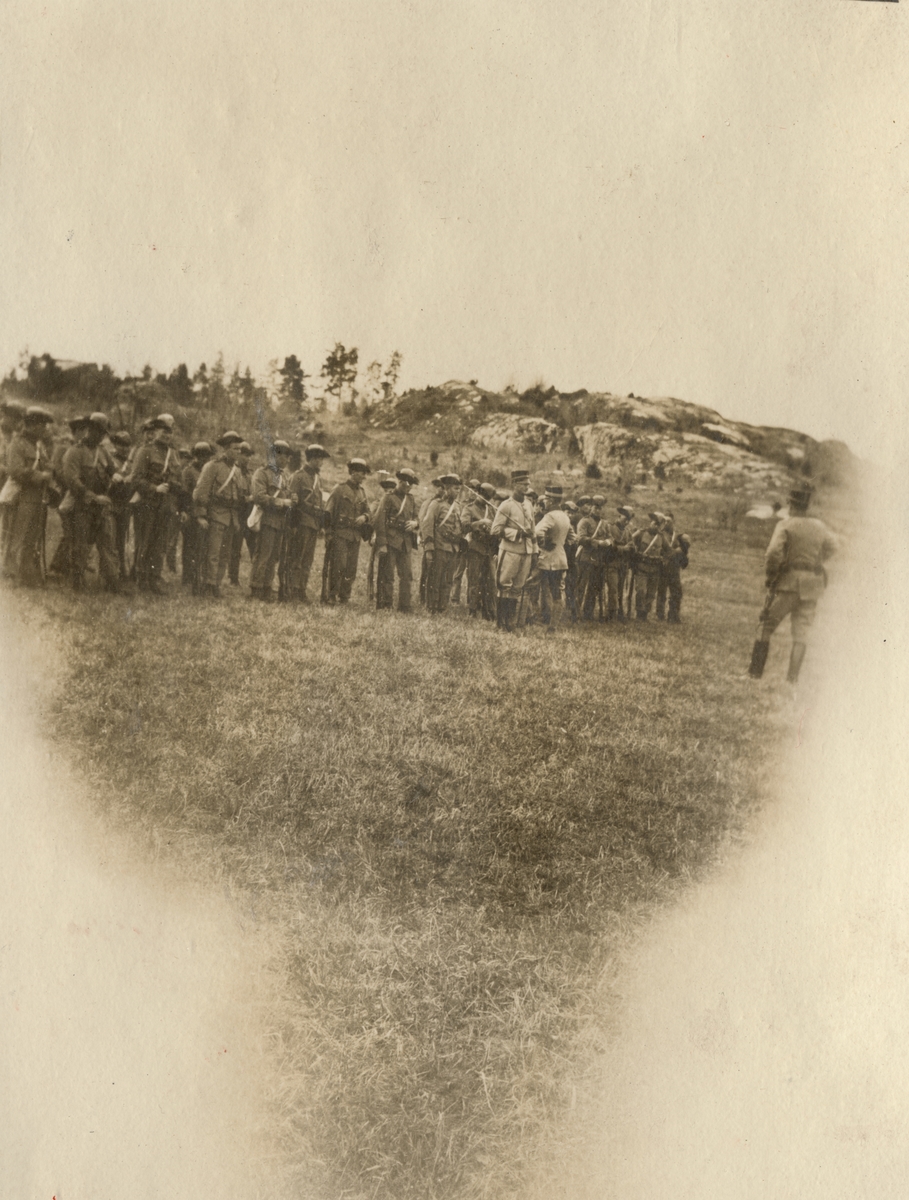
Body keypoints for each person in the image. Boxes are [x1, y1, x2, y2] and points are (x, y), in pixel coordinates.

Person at [748, 485, 836, 683]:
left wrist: (771, 576)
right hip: (812, 586)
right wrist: (815, 563)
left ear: (791, 504)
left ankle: (754, 674)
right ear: (807, 505)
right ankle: (792, 680)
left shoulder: (786, 524)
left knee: (765, 626)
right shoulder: (819, 526)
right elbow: (833, 546)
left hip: (788, 584)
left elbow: (773, 553)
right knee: (801, 634)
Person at [61, 411, 121, 592]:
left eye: (103, 433)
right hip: (82, 506)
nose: (100, 436)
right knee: (80, 545)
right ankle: (77, 582)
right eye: (98, 431)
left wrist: (117, 476)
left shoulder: (103, 452)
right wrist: (94, 498)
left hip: (101, 507)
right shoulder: (75, 452)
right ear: (89, 429)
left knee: (107, 545)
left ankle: (112, 582)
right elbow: (72, 481)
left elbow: (112, 470)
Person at [130, 413, 183, 594]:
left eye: (170, 431)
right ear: (155, 431)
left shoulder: (173, 454)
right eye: (163, 430)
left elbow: (179, 479)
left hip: (165, 506)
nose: (167, 435)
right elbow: (136, 479)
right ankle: (141, 578)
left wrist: (174, 485)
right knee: (144, 542)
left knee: (159, 545)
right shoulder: (145, 451)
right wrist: (154, 488)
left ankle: (154, 579)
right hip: (147, 504)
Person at [4, 406, 55, 586]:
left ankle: (26, 574)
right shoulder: (17, 444)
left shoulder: (39, 446)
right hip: (21, 497)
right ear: (32, 425)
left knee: (31, 538)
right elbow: (15, 470)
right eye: (42, 425)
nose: (44, 429)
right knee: (16, 537)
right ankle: (10, 575)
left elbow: (47, 465)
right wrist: (40, 476)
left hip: (37, 498)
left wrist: (49, 471)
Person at [192, 430, 247, 598]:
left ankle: (216, 584)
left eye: (239, 449)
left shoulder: (237, 471)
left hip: (231, 518)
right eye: (235, 449)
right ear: (225, 449)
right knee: (213, 554)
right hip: (215, 515)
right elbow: (200, 493)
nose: (238, 452)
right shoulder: (212, 466)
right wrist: (201, 515)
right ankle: (207, 585)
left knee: (224, 555)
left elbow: (239, 494)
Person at [490, 469, 537, 632]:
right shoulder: (506, 505)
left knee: (517, 588)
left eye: (528, 484)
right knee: (504, 586)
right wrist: (518, 533)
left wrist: (534, 552)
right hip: (509, 552)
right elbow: (495, 530)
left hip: (526, 553)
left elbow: (533, 531)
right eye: (523, 484)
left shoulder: (529, 505)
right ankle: (500, 623)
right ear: (515, 484)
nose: (527, 487)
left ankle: (510, 622)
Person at [284, 443, 330, 603]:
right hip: (301, 522)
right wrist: (293, 525)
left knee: (307, 560)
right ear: (312, 459)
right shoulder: (299, 476)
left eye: (322, 459)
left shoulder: (317, 479)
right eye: (319, 459)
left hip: (313, 524)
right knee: (296, 558)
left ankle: (301, 589)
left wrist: (321, 525)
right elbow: (292, 501)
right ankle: (292, 589)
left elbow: (320, 503)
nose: (321, 462)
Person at [250, 440, 294, 602]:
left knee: (274, 557)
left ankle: (267, 587)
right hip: (267, 520)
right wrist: (281, 502)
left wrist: (292, 498)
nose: (287, 460)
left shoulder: (284, 476)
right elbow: (259, 496)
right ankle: (256, 588)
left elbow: (287, 494)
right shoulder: (262, 473)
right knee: (264, 555)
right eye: (285, 456)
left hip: (280, 522)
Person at [323, 458, 371, 604]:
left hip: (355, 535)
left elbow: (368, 512)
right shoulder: (339, 489)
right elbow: (328, 512)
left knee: (351, 567)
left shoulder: (362, 492)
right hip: (341, 534)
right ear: (353, 472)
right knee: (338, 565)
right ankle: (332, 594)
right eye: (362, 473)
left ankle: (344, 596)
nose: (364, 476)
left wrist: (364, 517)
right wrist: (328, 533)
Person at [373, 467, 419, 612]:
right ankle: (385, 604)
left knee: (407, 575)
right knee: (387, 575)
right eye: (406, 482)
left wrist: (415, 523)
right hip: (390, 541)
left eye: (411, 483)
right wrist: (382, 544)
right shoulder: (388, 497)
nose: (409, 486)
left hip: (405, 543)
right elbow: (379, 520)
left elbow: (416, 517)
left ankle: (404, 606)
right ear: (400, 481)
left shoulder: (411, 499)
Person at [421, 473, 464, 614]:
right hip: (439, 547)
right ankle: (432, 607)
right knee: (435, 578)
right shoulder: (436, 505)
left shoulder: (457, 507)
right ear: (448, 489)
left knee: (447, 579)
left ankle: (442, 607)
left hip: (453, 549)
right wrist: (429, 548)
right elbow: (427, 526)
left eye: (459, 489)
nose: (458, 492)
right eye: (455, 489)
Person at [534, 483, 572, 632]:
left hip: (546, 559)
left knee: (529, 586)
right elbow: (573, 538)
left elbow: (537, 531)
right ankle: (553, 627)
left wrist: (543, 543)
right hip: (560, 560)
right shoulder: (565, 517)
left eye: (546, 499)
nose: (544, 501)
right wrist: (559, 543)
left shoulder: (549, 516)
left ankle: (525, 619)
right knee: (557, 594)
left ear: (550, 500)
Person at [179, 441, 213, 593]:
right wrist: (192, 513)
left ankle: (197, 575)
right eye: (201, 456)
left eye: (207, 456)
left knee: (202, 547)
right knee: (189, 546)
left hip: (205, 513)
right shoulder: (188, 472)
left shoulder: (208, 471)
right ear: (196, 456)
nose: (204, 459)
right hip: (191, 513)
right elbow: (185, 495)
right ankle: (188, 576)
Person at [463, 482, 498, 620]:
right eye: (483, 496)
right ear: (478, 494)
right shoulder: (469, 508)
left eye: (488, 497)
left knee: (490, 582)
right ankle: (472, 609)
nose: (485, 499)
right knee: (474, 580)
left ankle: (488, 611)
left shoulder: (492, 510)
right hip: (475, 548)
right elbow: (464, 526)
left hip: (489, 550)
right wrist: (480, 523)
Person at [632, 511, 671, 621]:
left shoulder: (661, 537)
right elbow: (630, 542)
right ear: (651, 522)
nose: (655, 526)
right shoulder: (641, 533)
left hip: (655, 569)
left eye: (658, 524)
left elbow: (669, 551)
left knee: (651, 593)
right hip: (641, 567)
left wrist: (664, 559)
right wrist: (635, 554)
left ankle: (645, 614)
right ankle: (639, 613)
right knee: (641, 591)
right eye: (654, 523)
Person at [228, 442, 257, 586]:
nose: (248, 459)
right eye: (246, 455)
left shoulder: (250, 474)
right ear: (239, 455)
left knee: (254, 547)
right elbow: (235, 495)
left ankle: (256, 579)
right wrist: (249, 498)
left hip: (249, 515)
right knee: (235, 548)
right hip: (238, 513)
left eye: (249, 456)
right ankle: (233, 578)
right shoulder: (234, 471)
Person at [655, 511, 690, 624]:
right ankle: (660, 614)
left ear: (673, 522)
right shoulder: (660, 535)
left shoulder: (678, 536)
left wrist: (680, 551)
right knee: (661, 592)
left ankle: (673, 615)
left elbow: (684, 550)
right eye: (665, 521)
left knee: (676, 592)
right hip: (663, 567)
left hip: (674, 568)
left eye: (669, 521)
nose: (667, 523)